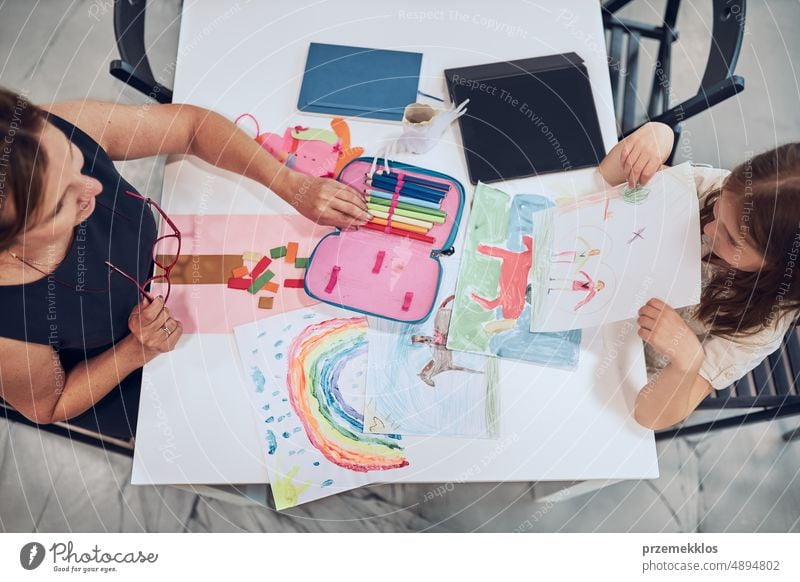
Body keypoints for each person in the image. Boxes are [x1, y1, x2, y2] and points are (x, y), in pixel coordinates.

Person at [0, 88, 372, 432]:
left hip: (180, 271)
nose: (94, 186)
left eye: (75, 161)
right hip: (145, 362)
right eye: (63, 203)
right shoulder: (8, 326)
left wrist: (292, 185)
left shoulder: (34, 137)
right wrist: (134, 351)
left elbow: (191, 127)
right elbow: (48, 406)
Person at [598, 121, 800, 430]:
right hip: (606, 285)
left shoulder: (759, 326)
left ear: (777, 268)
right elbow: (610, 177)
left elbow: (651, 415)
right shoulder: (722, 191)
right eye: (719, 211)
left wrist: (687, 361)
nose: (708, 229)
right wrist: (656, 134)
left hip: (623, 364)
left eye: (732, 239)